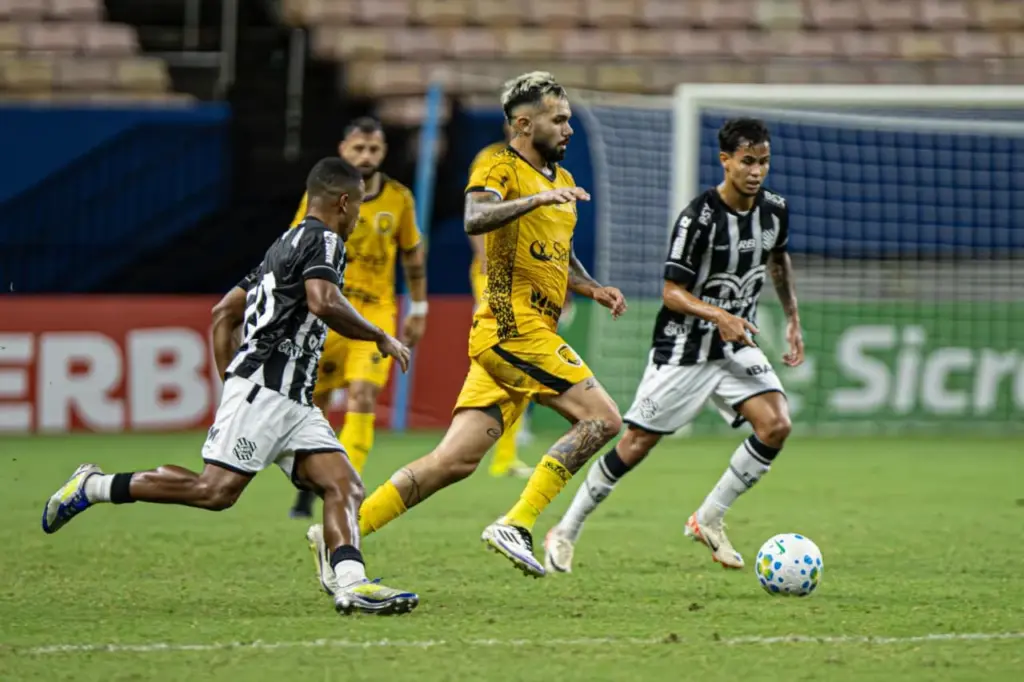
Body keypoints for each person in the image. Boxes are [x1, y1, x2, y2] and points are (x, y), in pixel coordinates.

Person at [41, 157, 420, 615]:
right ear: (343, 202)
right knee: (214, 492)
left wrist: (233, 380)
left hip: (291, 400)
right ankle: (94, 486)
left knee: (344, 485)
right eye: (358, 205)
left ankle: (351, 582)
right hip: (268, 391)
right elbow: (323, 301)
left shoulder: (282, 246)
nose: (359, 216)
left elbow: (224, 313)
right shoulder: (324, 240)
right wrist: (378, 334)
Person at [349, 71, 627, 579]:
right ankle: (517, 523)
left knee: (452, 461)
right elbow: (476, 217)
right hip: (512, 329)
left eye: (569, 120)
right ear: (523, 123)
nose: (569, 130)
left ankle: (342, 533)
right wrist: (535, 201)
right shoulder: (499, 166)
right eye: (558, 120)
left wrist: (593, 287)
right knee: (604, 419)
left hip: (522, 332)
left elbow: (558, 258)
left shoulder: (560, 181)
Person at [543, 118, 805, 574]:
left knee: (776, 424)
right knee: (637, 442)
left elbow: (777, 259)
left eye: (763, 161)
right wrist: (719, 314)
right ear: (725, 161)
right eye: (747, 161)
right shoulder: (698, 218)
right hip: (685, 346)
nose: (757, 171)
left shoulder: (775, 210)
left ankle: (709, 518)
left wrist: (792, 318)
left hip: (735, 345)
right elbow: (671, 292)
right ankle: (564, 529)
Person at [289, 117, 427, 519]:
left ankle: (344, 486)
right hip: (329, 307)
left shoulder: (399, 198)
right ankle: (308, 483)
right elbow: (298, 242)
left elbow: (413, 256)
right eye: (359, 149)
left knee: (364, 394)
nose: (366, 156)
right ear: (343, 149)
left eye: (374, 150)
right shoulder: (323, 194)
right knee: (316, 401)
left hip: (375, 311)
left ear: (383, 152)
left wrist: (418, 307)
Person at [466, 122, 533, 478]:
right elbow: (475, 213)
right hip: (494, 275)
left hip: (526, 276)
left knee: (516, 362)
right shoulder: (490, 159)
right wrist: (486, 261)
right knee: (500, 356)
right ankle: (472, 446)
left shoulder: (541, 168)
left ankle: (504, 455)